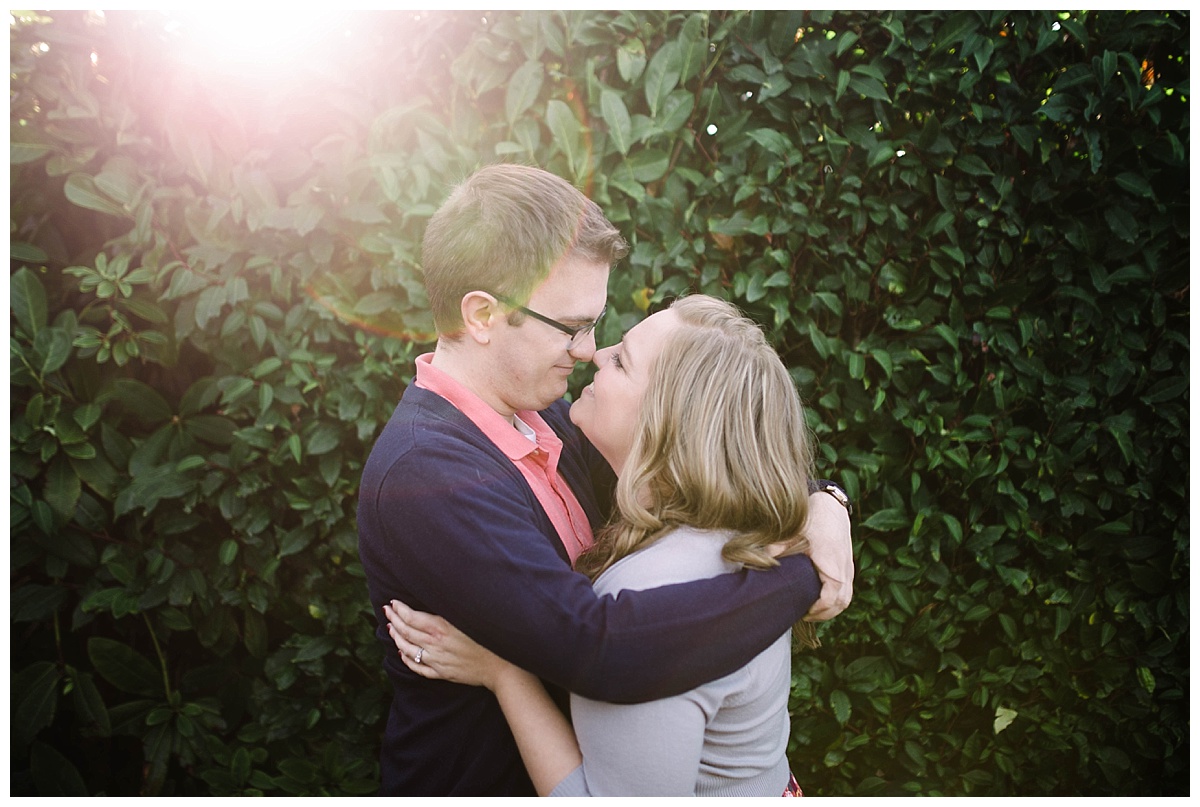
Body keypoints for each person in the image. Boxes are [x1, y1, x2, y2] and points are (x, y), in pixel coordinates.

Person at [355, 164, 853, 795]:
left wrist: (822, 505)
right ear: (481, 314)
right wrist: (802, 576)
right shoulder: (426, 475)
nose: (589, 349)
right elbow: (599, 648)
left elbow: (705, 449)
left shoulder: (550, 418)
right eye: (572, 326)